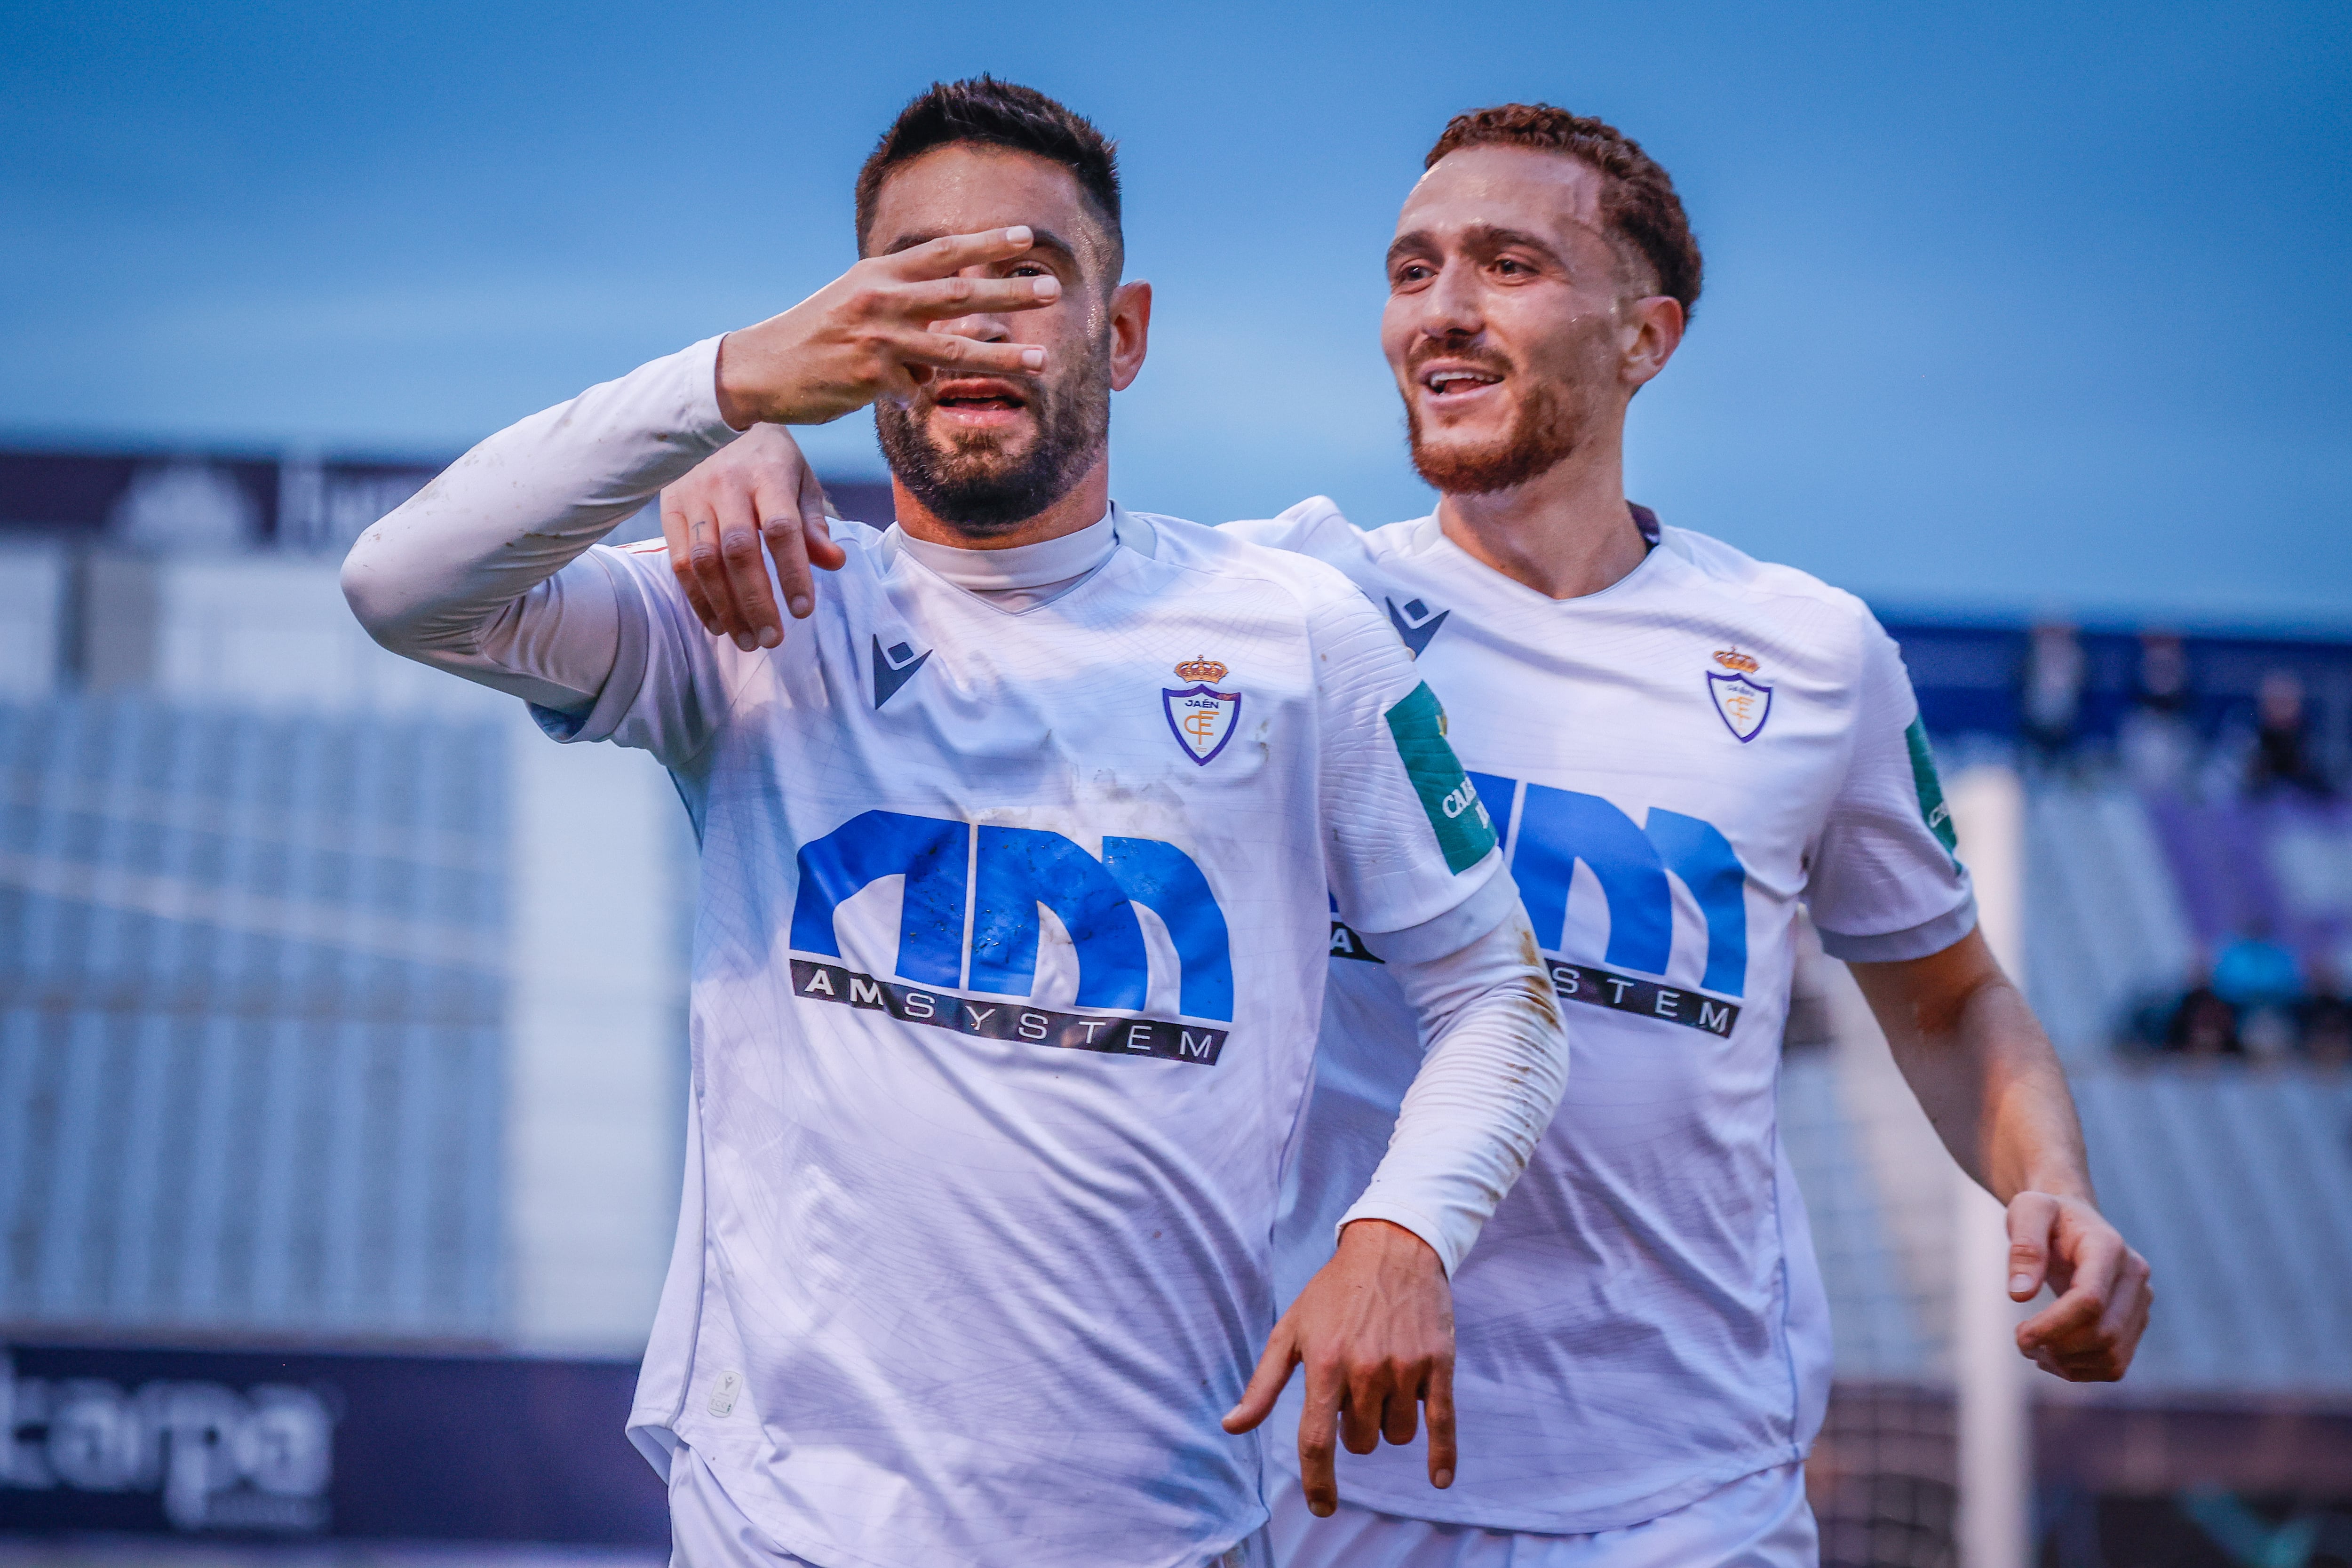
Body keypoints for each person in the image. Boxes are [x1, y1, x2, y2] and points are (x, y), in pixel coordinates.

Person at [662, 101, 2154, 1568]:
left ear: (1647, 338)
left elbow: (1952, 1000)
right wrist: (757, 455)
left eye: (1508, 265)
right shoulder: (1277, 615)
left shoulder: (1810, 655)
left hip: (1689, 1489)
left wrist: (2053, 1186)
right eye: (1410, 268)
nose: (1439, 312)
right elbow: (991, 545)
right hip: (1328, 1473)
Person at [343, 79, 1572, 1568]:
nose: (972, 320)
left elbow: (1497, 993)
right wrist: (727, 390)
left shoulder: (1293, 634)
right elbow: (402, 588)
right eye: (919, 280)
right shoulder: (761, 611)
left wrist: (1403, 1231)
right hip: (778, 1535)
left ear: (1120, 336)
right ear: (854, 333)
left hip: (1166, 1535)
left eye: (1026, 278)